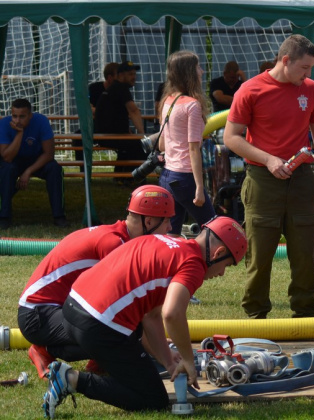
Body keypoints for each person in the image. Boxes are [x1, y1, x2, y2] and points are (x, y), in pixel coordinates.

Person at [41, 216, 247, 418]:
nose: (221, 274)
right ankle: (70, 379)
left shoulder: (168, 241)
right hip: (97, 323)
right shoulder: (194, 264)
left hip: (72, 307)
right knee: (153, 398)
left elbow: (151, 315)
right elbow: (172, 313)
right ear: (218, 252)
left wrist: (168, 361)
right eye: (226, 266)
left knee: (137, 360)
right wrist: (187, 359)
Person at [224, 34, 314, 319]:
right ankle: (256, 316)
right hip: (262, 179)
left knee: (305, 254)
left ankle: (305, 313)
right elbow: (231, 138)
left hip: (301, 180)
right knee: (259, 255)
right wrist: (269, 159)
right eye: (304, 68)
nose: (309, 75)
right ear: (285, 61)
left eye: (311, 68)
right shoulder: (250, 90)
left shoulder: (310, 90)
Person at [18, 185, 174, 379]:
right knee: (123, 327)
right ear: (149, 221)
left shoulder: (118, 236)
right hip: (37, 315)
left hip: (45, 309)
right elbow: (137, 313)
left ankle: (98, 362)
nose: (170, 228)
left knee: (120, 323)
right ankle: (44, 350)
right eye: (167, 221)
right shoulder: (115, 245)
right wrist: (165, 356)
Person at [157, 50, 216, 235]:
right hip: (185, 177)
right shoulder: (192, 105)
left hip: (167, 175)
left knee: (171, 233)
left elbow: (162, 145)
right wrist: (199, 187)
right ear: (189, 72)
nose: (202, 71)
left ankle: (170, 264)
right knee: (213, 227)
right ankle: (206, 262)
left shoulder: (168, 101)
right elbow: (193, 149)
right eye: (198, 67)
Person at [0, 98, 67, 229]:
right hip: (14, 160)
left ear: (30, 115)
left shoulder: (41, 121)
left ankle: (59, 216)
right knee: (6, 170)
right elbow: (7, 157)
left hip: (36, 160)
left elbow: (49, 154)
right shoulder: (4, 124)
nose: (17, 120)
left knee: (55, 169)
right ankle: (4, 217)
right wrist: (20, 134)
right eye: (14, 116)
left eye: (22, 116)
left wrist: (28, 172)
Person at [94, 60, 146, 171]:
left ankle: (121, 177)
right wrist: (142, 134)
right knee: (141, 145)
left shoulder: (115, 88)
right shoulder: (121, 88)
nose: (134, 77)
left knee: (131, 144)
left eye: (134, 74)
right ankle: (132, 177)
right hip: (108, 136)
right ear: (121, 75)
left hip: (106, 134)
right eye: (130, 74)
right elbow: (134, 111)